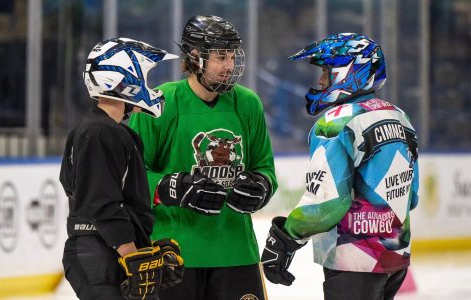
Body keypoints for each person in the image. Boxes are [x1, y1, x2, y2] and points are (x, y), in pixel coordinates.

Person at [128, 15, 278, 300]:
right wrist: (169, 186)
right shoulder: (160, 102)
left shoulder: (247, 103)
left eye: (232, 56)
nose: (230, 66)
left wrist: (263, 185)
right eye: (221, 57)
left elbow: (265, 168)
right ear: (195, 57)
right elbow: (132, 177)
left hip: (236, 251)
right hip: (174, 254)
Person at [261, 33, 419, 300]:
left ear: (350, 74)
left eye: (327, 72)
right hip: (395, 257)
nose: (321, 82)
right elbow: (411, 197)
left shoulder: (336, 121)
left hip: (353, 260)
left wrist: (285, 236)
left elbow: (327, 204)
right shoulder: (399, 116)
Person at [60, 37, 184, 300]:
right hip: (101, 251)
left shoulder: (107, 131)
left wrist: (143, 245)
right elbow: (101, 202)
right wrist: (131, 254)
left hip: (105, 249)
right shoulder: (99, 132)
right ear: (123, 80)